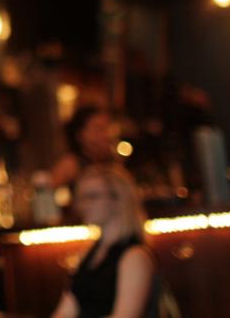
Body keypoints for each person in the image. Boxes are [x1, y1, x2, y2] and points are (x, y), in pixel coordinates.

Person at [51, 165, 158, 318]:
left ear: (118, 200)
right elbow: (65, 312)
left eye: (92, 196)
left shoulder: (135, 256)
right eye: (81, 197)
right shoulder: (88, 254)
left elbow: (126, 315)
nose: (83, 205)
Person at [50, 106, 119, 200]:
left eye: (107, 129)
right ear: (79, 134)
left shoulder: (110, 163)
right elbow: (45, 194)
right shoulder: (71, 163)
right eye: (98, 129)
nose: (105, 136)